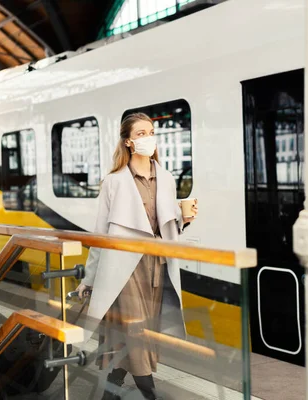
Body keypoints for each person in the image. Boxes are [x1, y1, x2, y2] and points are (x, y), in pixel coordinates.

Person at [75, 112, 198, 400]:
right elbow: (99, 236)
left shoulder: (165, 178)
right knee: (137, 336)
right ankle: (151, 395)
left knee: (137, 336)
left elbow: (164, 227)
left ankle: (110, 393)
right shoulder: (114, 182)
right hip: (124, 271)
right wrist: (89, 280)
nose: (149, 138)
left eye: (151, 131)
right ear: (129, 141)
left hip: (156, 266)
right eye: (141, 133)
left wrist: (184, 218)